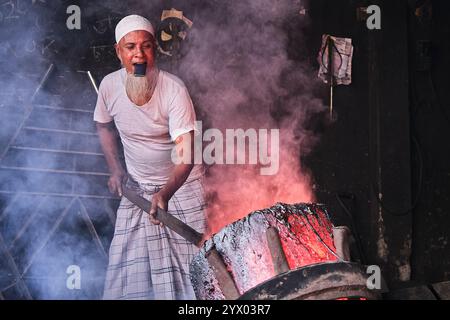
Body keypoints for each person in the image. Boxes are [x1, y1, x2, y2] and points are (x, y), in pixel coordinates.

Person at [93, 14, 206, 300]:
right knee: (125, 277)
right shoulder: (109, 86)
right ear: (119, 52)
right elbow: (103, 125)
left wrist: (166, 192)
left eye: (146, 47)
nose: (138, 55)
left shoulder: (174, 89)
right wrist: (115, 169)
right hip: (139, 190)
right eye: (130, 47)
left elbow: (187, 155)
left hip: (182, 190)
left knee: (197, 273)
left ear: (154, 49)